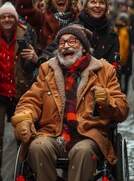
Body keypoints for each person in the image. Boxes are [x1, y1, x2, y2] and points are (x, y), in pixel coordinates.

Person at [11, 25, 129, 181]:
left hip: (88, 135)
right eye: (61, 42)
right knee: (38, 146)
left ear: (84, 47)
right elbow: (31, 99)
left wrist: (108, 101)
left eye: (72, 41)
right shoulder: (47, 69)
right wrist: (24, 118)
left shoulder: (104, 70)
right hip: (53, 133)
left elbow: (122, 109)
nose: (66, 45)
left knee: (82, 150)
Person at [0, 2, 40, 181]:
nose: (7, 20)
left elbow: (30, 65)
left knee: (22, 134)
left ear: (16, 19)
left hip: (20, 92)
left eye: (10, 17)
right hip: (1, 93)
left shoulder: (25, 35)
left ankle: (21, 172)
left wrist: (34, 58)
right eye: (3, 17)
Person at [16, 0, 80, 51]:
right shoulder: (42, 18)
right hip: (47, 63)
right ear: (50, 0)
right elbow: (23, 8)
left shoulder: (79, 18)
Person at [114, 12, 132, 94]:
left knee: (125, 78)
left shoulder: (128, 31)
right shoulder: (113, 30)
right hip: (117, 60)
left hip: (127, 59)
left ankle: (124, 93)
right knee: (118, 78)